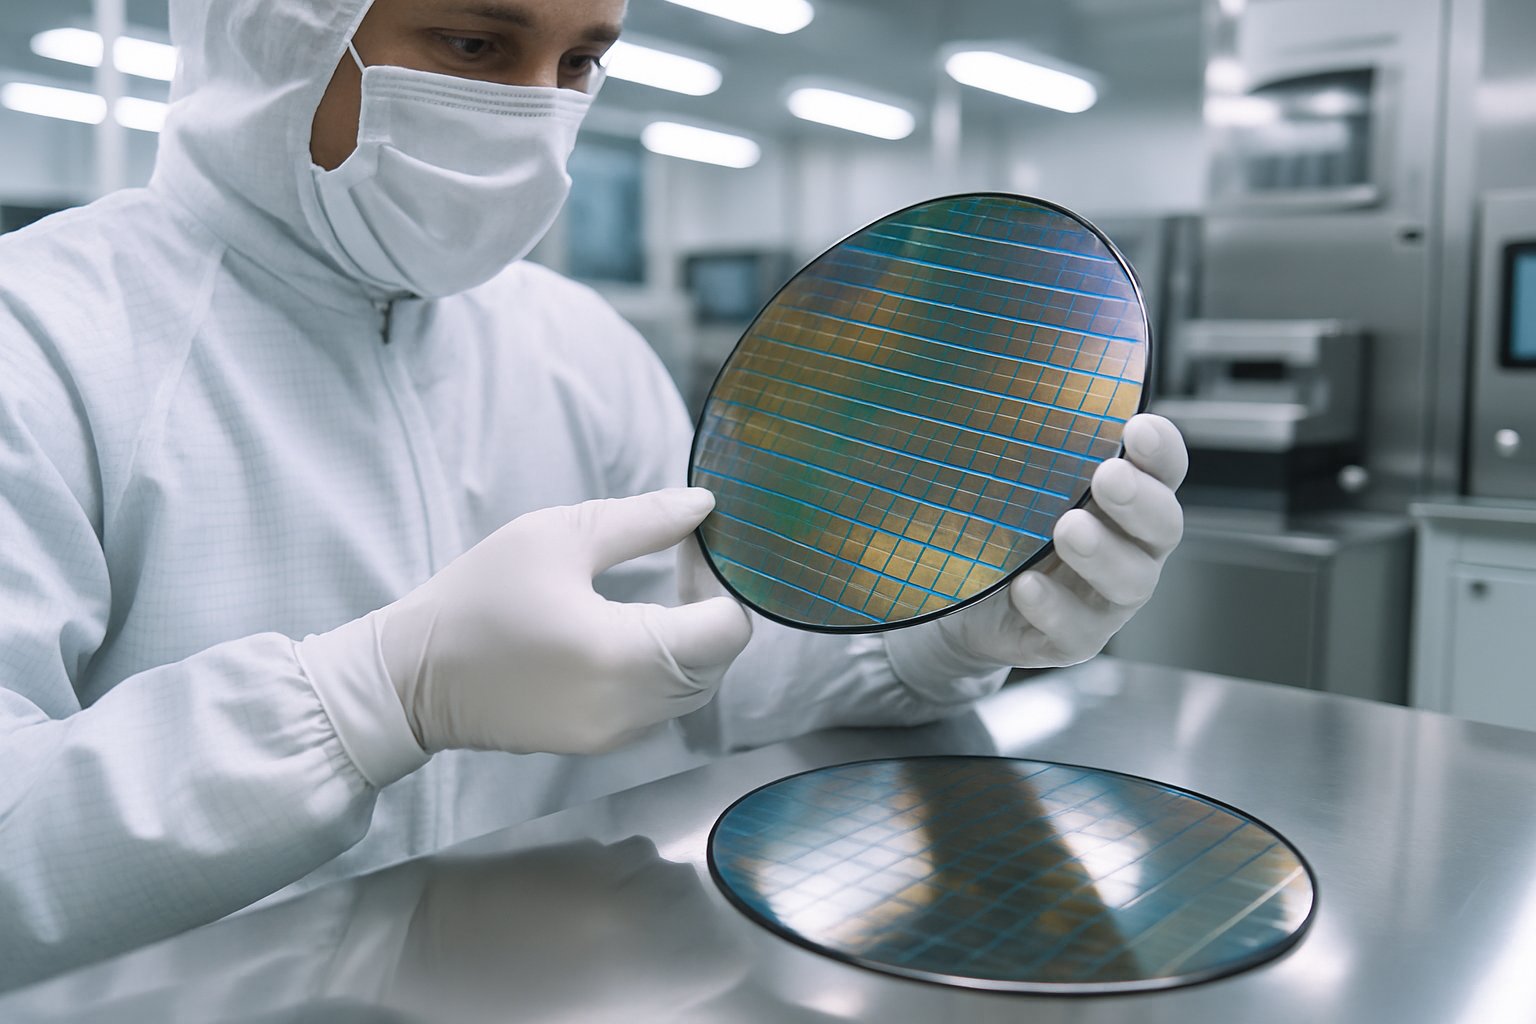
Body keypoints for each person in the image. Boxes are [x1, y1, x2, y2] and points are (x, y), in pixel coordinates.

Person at [0, 0, 1188, 987]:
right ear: (278, 32)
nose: (536, 114)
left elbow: (715, 659)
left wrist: (929, 636)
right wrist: (364, 699)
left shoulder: (578, 346)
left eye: (580, 62)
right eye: (476, 46)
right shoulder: (45, 340)